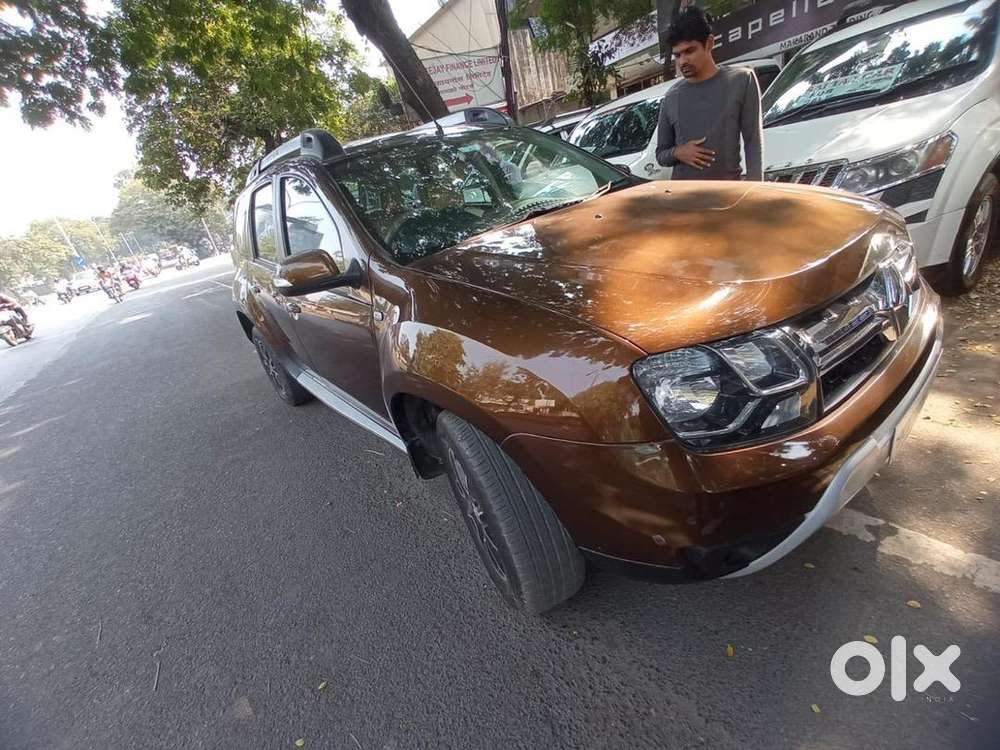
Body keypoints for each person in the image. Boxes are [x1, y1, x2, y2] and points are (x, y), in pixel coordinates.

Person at [655, 5, 763, 181]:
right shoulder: (672, 96)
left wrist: (755, 194)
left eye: (690, 51)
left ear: (709, 43)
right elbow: (661, 154)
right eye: (678, 55)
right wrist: (678, 152)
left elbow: (753, 143)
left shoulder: (741, 80)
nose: (683, 61)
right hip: (684, 198)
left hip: (728, 195)